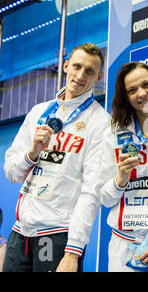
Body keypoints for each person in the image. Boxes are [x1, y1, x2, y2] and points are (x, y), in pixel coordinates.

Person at [3, 43, 110, 272]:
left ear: (99, 76)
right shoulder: (38, 112)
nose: (80, 75)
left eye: (89, 71)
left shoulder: (100, 123)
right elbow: (11, 172)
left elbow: (92, 190)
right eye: (77, 66)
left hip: (57, 235)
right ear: (65, 66)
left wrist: (73, 252)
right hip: (20, 233)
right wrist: (32, 154)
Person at [99, 61, 148, 272]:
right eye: (132, 90)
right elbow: (105, 198)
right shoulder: (114, 134)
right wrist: (120, 179)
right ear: (125, 96)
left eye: (146, 85)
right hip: (127, 241)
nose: (141, 94)